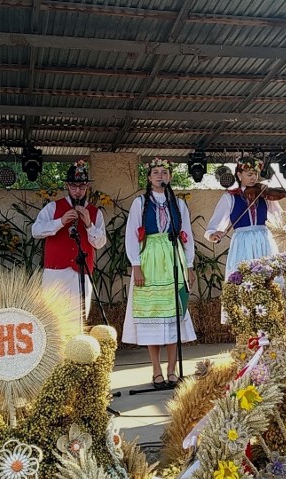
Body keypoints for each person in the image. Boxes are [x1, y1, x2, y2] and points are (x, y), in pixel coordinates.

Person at [123, 158, 196, 390]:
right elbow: (131, 234)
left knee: (173, 317)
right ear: (148, 177)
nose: (160, 176)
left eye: (164, 172)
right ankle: (156, 370)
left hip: (174, 257)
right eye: (155, 172)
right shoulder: (140, 203)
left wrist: (189, 264)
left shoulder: (179, 204)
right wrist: (136, 264)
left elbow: (187, 234)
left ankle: (173, 370)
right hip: (150, 259)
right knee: (152, 317)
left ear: (170, 177)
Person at [31, 159, 107, 331]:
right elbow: (35, 231)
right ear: (67, 186)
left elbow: (100, 243)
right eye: (73, 187)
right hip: (55, 273)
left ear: (87, 187)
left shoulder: (95, 212)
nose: (78, 191)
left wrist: (89, 224)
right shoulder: (53, 207)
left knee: (79, 318)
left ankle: (76, 353)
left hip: (82, 272)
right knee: (52, 318)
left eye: (81, 187)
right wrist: (60, 221)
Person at [205, 156, 282, 277]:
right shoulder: (230, 197)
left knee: (268, 277)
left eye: (255, 174)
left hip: (263, 239)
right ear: (239, 175)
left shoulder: (264, 194)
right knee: (244, 277)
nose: (254, 178)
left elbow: (280, 216)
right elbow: (214, 225)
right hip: (242, 241)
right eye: (249, 174)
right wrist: (213, 234)